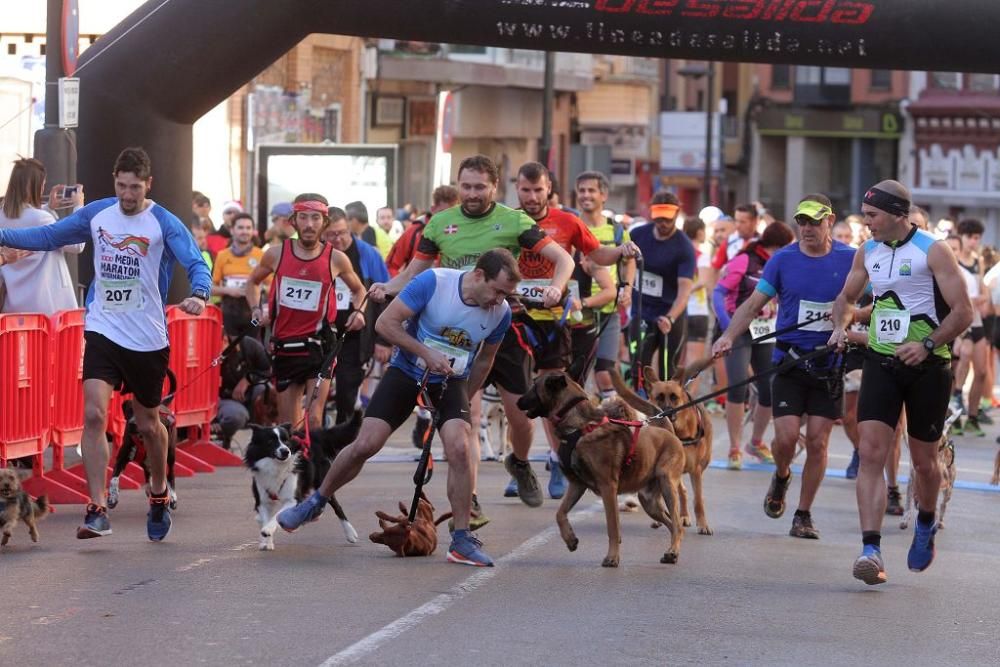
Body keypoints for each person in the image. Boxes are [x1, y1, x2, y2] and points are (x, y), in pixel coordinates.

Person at [0, 147, 212, 542]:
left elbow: (197, 261)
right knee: (94, 415)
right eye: (121, 186)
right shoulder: (99, 213)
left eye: (134, 187)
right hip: (103, 327)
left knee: (149, 423)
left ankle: (159, 492)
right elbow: (48, 236)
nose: (127, 195)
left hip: (147, 336)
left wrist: (200, 291)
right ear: (114, 181)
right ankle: (96, 508)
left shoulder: (163, 221)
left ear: (148, 185)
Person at [279, 249, 520, 566]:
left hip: (451, 381)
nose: (500, 300)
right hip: (407, 372)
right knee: (366, 444)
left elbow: (485, 360)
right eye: (497, 290)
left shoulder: (500, 313)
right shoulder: (434, 282)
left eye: (506, 294)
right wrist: (425, 352)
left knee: (460, 447)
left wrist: (459, 402)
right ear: (478, 275)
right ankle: (316, 501)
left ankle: (461, 539)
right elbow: (386, 323)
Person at [369, 154, 575, 509]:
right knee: (469, 418)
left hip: (500, 327)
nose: (472, 193)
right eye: (466, 186)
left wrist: (555, 288)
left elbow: (564, 260)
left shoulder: (514, 221)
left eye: (480, 187)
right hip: (455, 333)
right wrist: (386, 287)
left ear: (494, 187)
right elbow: (412, 273)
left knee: (521, 413)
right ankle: (472, 497)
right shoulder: (439, 223)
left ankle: (521, 463)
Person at [829, 180, 973, 585]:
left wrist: (927, 344)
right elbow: (847, 298)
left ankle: (925, 521)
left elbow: (962, 312)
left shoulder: (933, 250)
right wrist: (841, 325)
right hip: (881, 361)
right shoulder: (867, 251)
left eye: (872, 214)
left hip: (929, 366)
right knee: (872, 451)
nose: (866, 221)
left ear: (896, 214)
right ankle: (870, 549)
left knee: (925, 463)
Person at [715, 195, 854, 540]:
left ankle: (803, 514)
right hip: (790, 361)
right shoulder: (782, 260)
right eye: (801, 222)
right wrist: (729, 336)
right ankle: (781, 475)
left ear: (829, 221)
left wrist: (846, 321)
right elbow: (752, 304)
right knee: (787, 437)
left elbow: (870, 303)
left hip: (829, 364)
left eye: (814, 221)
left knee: (819, 442)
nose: (806, 228)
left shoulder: (851, 259)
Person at [509, 162, 638, 499]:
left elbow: (599, 253)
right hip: (513, 317)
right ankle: (520, 462)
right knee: (514, 398)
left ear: (549, 188)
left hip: (554, 321)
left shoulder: (567, 221)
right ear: (516, 189)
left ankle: (555, 461)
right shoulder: (506, 220)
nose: (533, 197)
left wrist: (621, 250)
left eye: (539, 190)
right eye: (526, 190)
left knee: (553, 396)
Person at [245, 193, 367, 430]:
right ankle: (296, 464)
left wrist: (359, 312)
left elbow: (360, 290)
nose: (309, 224)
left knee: (313, 419)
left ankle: (314, 465)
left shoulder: (336, 259)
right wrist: (256, 309)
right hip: (285, 346)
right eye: (303, 217)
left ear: (325, 223)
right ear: (293, 220)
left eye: (315, 218)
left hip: (319, 346)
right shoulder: (275, 254)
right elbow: (252, 283)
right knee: (288, 424)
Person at [712, 221, 796, 470]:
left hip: (765, 331)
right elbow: (718, 293)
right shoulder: (744, 260)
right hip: (739, 330)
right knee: (738, 387)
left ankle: (756, 442)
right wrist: (728, 327)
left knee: (769, 388)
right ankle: (734, 447)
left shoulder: (781, 263)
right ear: (773, 246)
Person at [321, 207, 391, 424]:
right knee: (318, 391)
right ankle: (314, 438)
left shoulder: (368, 254)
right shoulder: (318, 253)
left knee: (347, 389)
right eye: (332, 235)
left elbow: (387, 295)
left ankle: (344, 439)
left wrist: (384, 340)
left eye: (343, 232)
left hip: (355, 334)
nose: (339, 239)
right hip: (322, 332)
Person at [574, 171, 636, 401]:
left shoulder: (617, 230)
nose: (586, 195)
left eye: (591, 190)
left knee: (606, 372)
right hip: (579, 311)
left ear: (603, 195)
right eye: (581, 190)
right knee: (577, 374)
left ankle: (615, 422)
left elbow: (629, 262)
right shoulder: (573, 225)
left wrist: (627, 288)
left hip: (609, 310)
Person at [0, 157, 85, 314]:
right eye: (42, 185)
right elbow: (77, 244)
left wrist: (48, 208)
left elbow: (28, 221)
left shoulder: (2, 217)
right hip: (47, 310)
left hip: (13, 309)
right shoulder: (41, 218)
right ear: (35, 186)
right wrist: (79, 205)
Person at [629, 191, 696, 381]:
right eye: (658, 219)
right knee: (639, 367)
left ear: (676, 215)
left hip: (670, 313)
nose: (662, 224)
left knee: (669, 372)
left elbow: (685, 290)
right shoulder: (638, 235)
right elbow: (623, 265)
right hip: (641, 311)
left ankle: (669, 411)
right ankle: (641, 407)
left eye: (667, 219)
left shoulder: (684, 247)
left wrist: (671, 317)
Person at [949, 220, 990, 436]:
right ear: (962, 236)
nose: (974, 242)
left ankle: (972, 417)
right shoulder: (953, 262)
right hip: (960, 321)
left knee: (982, 372)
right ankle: (954, 411)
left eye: (977, 238)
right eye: (971, 237)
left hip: (976, 321)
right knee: (958, 366)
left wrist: (976, 300)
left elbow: (984, 293)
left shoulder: (978, 260)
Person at [211, 212, 266, 337]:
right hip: (230, 312)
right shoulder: (222, 255)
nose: (245, 231)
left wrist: (257, 288)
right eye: (240, 228)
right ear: (232, 230)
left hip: (254, 311)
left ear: (253, 231)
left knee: (253, 351)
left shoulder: (261, 255)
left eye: (248, 228)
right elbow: (210, 288)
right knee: (232, 353)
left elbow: (272, 285)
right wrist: (229, 290)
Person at [386, 185, 458, 277]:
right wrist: (406, 288)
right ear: (433, 209)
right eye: (443, 213)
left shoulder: (463, 233)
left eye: (453, 213)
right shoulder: (415, 231)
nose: (448, 218)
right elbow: (391, 266)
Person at [215, 334, 272, 450]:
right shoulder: (206, 351)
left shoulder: (248, 345)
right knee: (236, 416)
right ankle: (224, 436)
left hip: (249, 393)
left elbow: (267, 368)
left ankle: (263, 436)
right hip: (222, 399)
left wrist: (248, 379)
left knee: (266, 391)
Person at [682, 216, 712, 395]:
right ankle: (689, 399)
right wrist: (687, 291)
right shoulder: (702, 255)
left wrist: (680, 294)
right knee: (695, 360)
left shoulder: (678, 252)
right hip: (698, 311)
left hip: (678, 310)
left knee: (678, 358)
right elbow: (703, 281)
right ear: (700, 232)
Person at [711, 204, 759, 273]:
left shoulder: (762, 242)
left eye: (742, 222)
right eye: (736, 221)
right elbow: (715, 269)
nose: (738, 225)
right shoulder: (729, 242)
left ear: (754, 222)